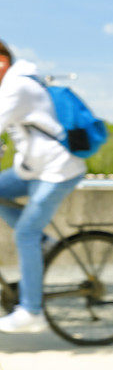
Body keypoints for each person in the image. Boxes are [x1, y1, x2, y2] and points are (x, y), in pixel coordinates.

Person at [0, 40, 85, 333]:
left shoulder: (16, 87)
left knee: (25, 232)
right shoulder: (12, 84)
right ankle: (46, 244)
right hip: (32, 168)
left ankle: (32, 311)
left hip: (57, 171)